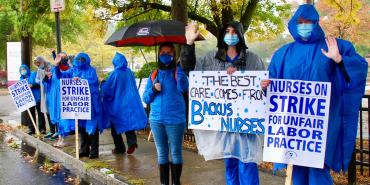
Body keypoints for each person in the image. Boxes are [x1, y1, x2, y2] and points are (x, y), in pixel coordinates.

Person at [261, 4, 368, 185]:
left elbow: (358, 69)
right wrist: (265, 87)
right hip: (293, 126)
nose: (304, 25)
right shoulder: (283, 53)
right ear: (294, 24)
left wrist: (339, 60)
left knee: (318, 172)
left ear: (316, 23)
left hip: (321, 126)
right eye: (300, 22)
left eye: (309, 22)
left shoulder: (334, 46)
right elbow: (272, 88)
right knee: (297, 172)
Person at [180, 21, 265, 185]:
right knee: (231, 166)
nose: (231, 35)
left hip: (246, 124)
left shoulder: (253, 59)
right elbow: (190, 70)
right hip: (225, 123)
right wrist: (188, 44)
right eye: (227, 31)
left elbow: (262, 91)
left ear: (240, 35)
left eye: (234, 32)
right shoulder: (210, 59)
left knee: (247, 164)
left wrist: (262, 85)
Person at [143, 42, 189, 185]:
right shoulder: (154, 74)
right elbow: (145, 98)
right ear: (158, 54)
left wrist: (180, 71)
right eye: (163, 53)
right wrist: (154, 89)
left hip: (175, 119)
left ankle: (176, 182)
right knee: (162, 152)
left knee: (175, 151)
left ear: (174, 55)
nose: (165, 55)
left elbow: (184, 88)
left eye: (169, 53)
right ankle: (164, 183)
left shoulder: (178, 71)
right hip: (156, 120)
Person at [54, 52, 103, 159]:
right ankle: (84, 149)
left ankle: (94, 151)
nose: (80, 61)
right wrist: (56, 66)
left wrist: (81, 80)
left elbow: (94, 82)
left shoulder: (91, 70)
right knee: (81, 127)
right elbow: (60, 76)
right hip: (79, 105)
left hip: (90, 105)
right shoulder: (73, 70)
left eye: (82, 60)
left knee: (92, 128)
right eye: (78, 59)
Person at [101, 52, 148, 155]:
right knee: (129, 125)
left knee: (115, 128)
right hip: (130, 103)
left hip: (118, 105)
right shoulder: (129, 72)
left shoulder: (115, 74)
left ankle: (119, 148)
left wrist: (103, 83)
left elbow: (108, 90)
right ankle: (132, 142)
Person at [19, 64, 45, 135]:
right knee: (31, 113)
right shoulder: (21, 79)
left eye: (24, 69)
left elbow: (40, 83)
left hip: (37, 97)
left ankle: (42, 128)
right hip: (29, 99)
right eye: (21, 70)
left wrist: (32, 85)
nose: (23, 71)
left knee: (40, 113)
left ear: (27, 69)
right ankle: (32, 129)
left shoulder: (33, 74)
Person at [33, 56, 55, 138]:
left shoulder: (50, 67)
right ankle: (52, 131)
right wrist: (41, 81)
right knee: (47, 111)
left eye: (38, 63)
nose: (38, 65)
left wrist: (47, 75)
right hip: (44, 92)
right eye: (36, 64)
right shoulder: (39, 70)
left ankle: (56, 131)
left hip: (51, 91)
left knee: (53, 110)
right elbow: (37, 80)